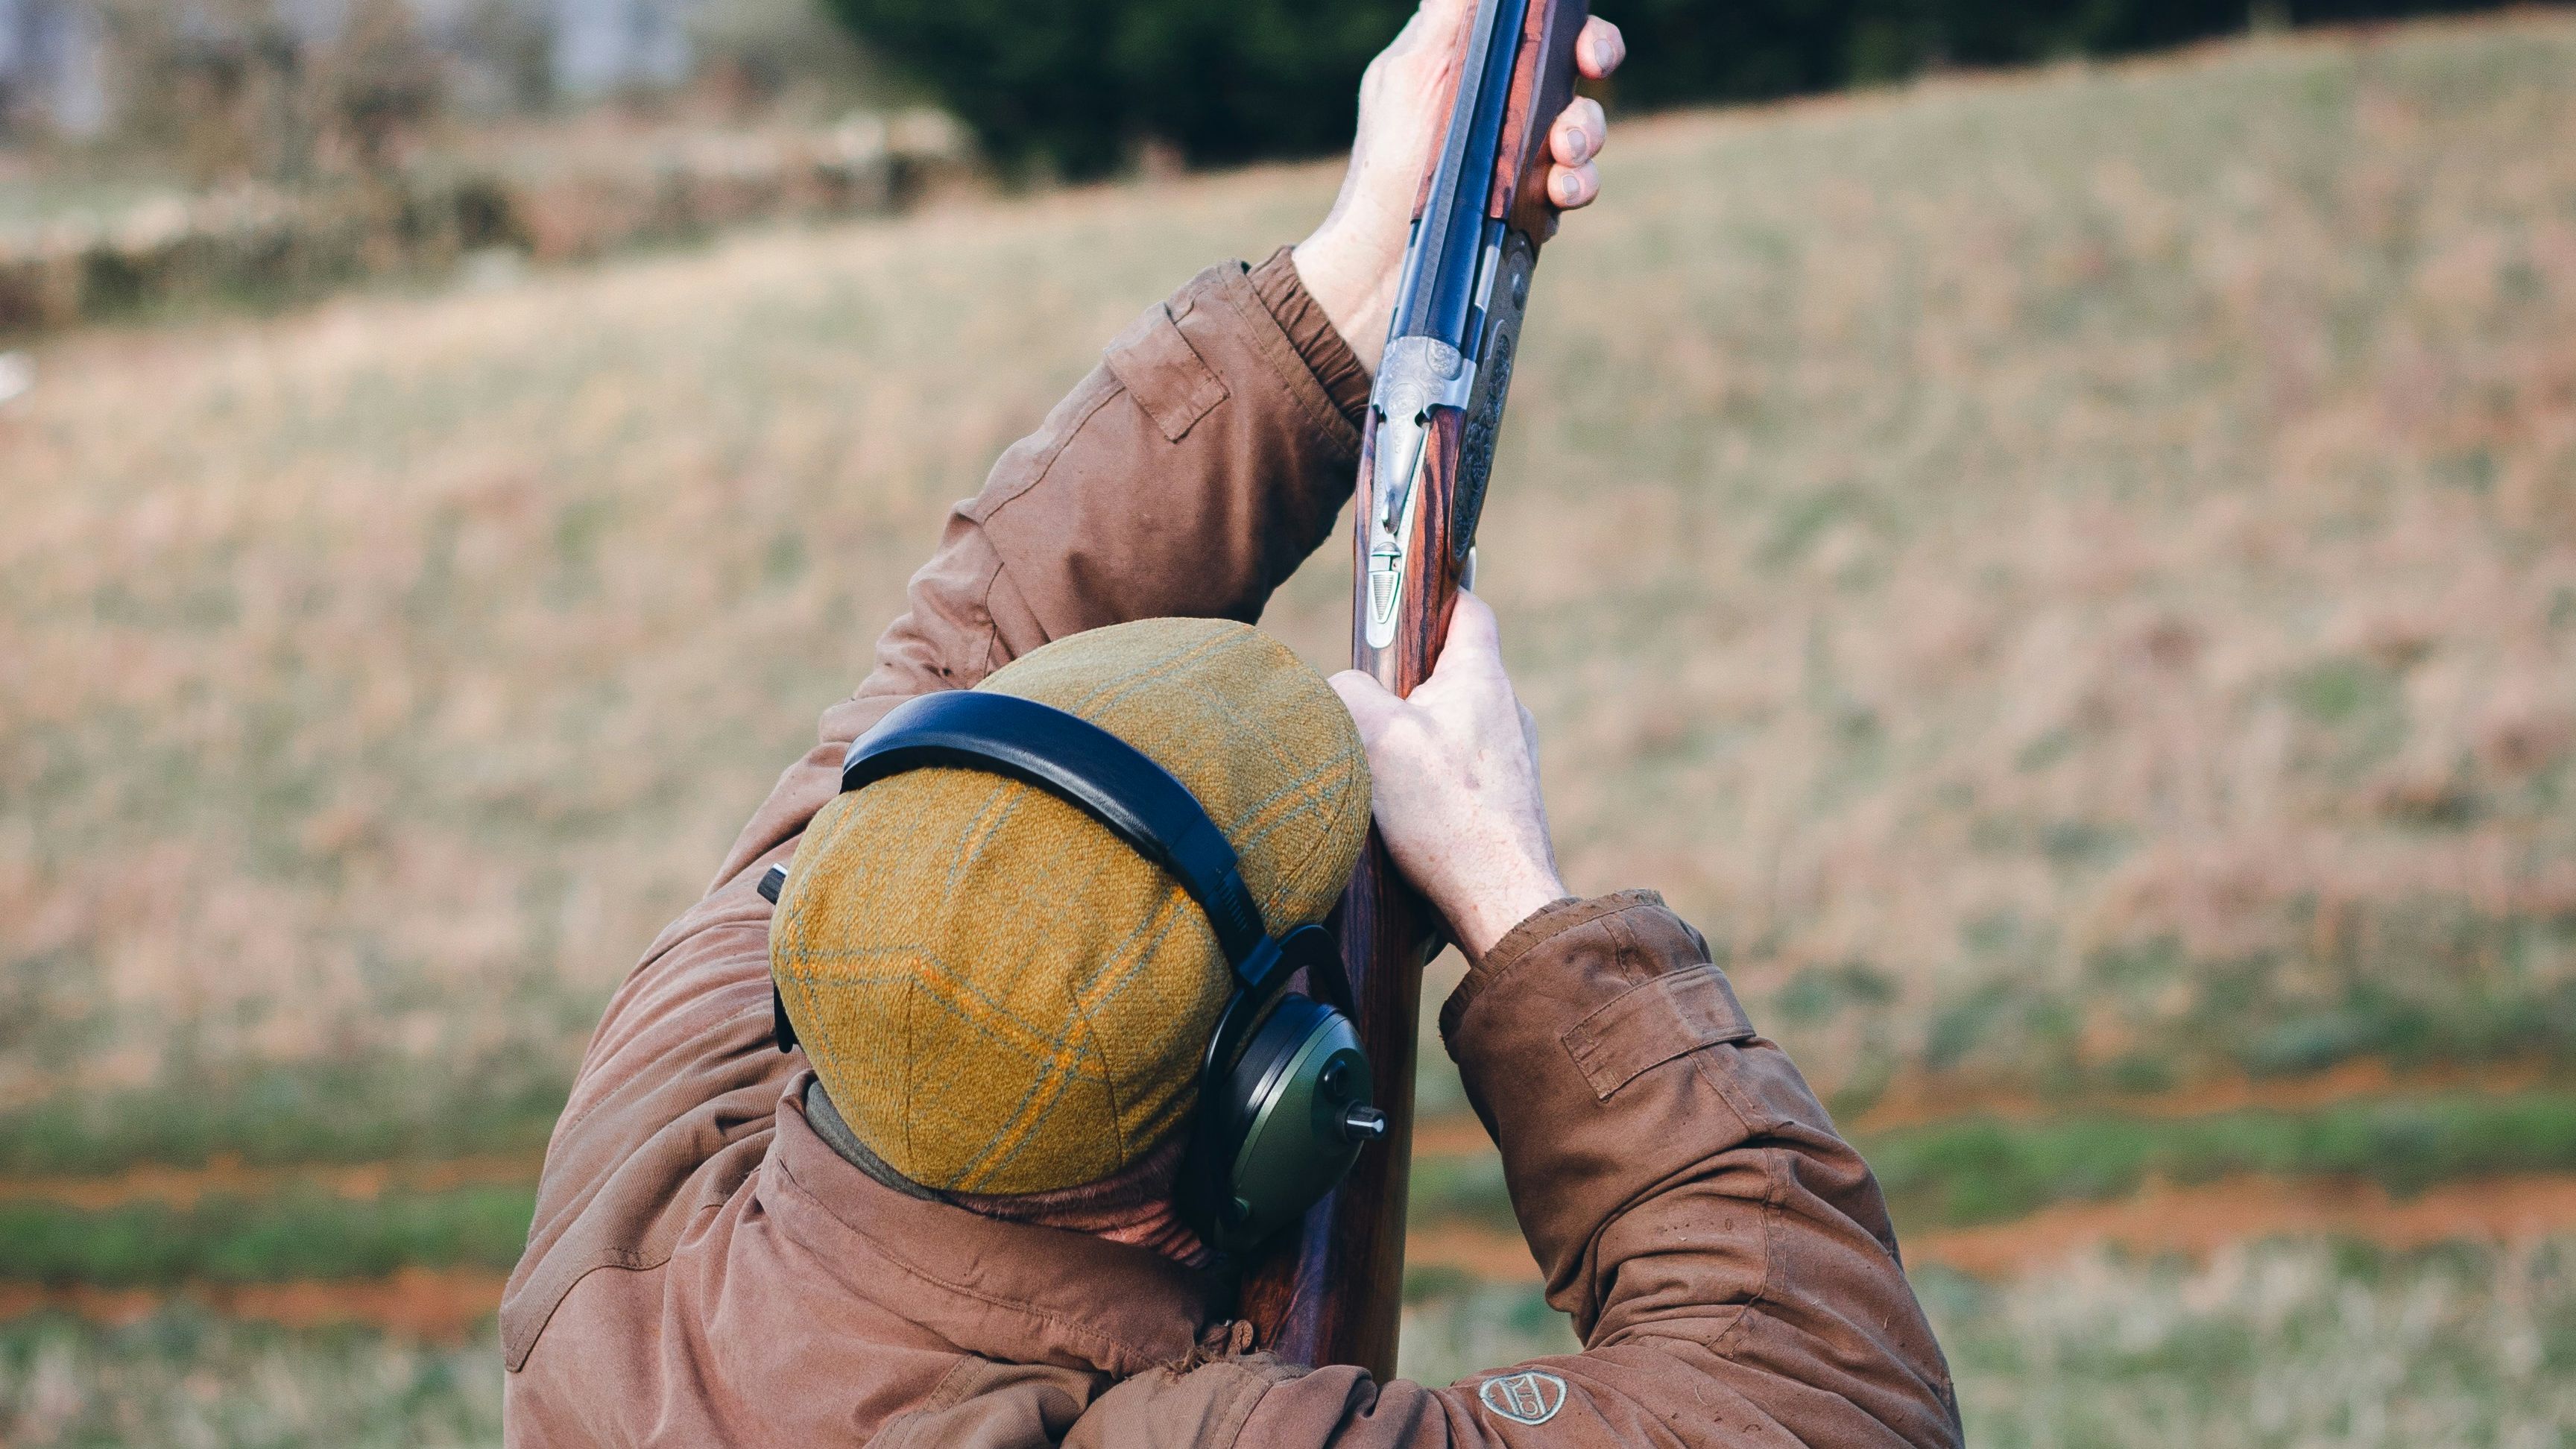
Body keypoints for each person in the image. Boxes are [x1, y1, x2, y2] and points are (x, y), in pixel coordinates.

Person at [502, 1, 1961, 1442]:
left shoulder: (643, 1199)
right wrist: (1521, 910)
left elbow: (975, 634)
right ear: (1280, 1105)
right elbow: (1830, 1403)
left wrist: (1351, 277)